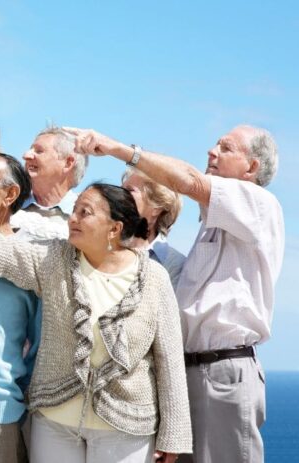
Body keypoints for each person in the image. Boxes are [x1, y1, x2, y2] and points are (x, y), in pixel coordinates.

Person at [0, 183, 192, 462]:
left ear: (114, 228)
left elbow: (169, 359)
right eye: (74, 211)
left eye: (86, 213)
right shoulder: (52, 260)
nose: (73, 219)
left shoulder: (153, 277)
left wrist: (174, 436)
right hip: (55, 422)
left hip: (126, 424)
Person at [67, 125, 284, 463]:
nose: (212, 151)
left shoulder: (259, 204)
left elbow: (189, 181)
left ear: (251, 168)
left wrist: (119, 149)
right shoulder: (216, 222)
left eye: (225, 148)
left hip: (221, 373)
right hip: (196, 373)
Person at [122, 168, 186, 286]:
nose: (119, 195)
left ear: (156, 207)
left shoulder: (175, 265)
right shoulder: (105, 245)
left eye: (129, 190)